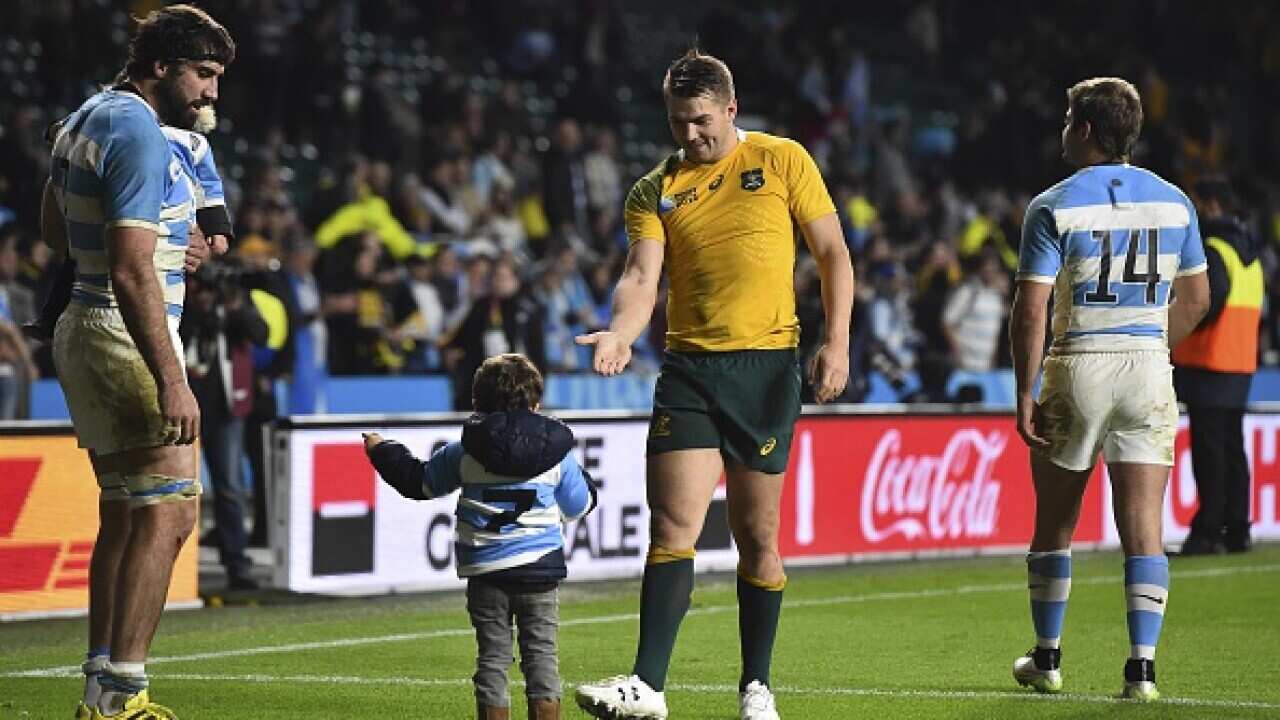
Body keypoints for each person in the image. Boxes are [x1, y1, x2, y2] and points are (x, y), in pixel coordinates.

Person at [573, 49, 853, 720]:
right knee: (672, 526)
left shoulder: (783, 160)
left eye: (701, 121)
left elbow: (833, 253)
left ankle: (756, 685)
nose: (690, 135)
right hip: (689, 370)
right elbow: (642, 278)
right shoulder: (654, 189)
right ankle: (647, 686)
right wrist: (619, 333)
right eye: (677, 122)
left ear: (730, 109)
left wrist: (836, 340)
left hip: (765, 369)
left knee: (758, 534)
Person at [42, 6, 234, 718]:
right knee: (169, 516)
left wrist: (163, 242)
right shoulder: (141, 132)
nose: (212, 93)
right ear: (160, 67)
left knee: (127, 515)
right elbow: (128, 272)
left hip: (83, 325)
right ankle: (124, 696)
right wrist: (173, 380)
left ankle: (101, 690)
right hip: (122, 330)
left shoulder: (87, 116)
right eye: (203, 75)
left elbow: (54, 230)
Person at [1008, 77, 1210, 703]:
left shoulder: (1053, 204)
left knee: (1056, 522)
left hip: (1079, 364)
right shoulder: (1176, 202)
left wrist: (1026, 389)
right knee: (1143, 527)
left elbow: (1030, 309)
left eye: (1069, 119)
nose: (1063, 129)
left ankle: (1047, 659)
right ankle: (1141, 672)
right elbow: (1199, 299)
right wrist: (1148, 341)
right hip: (1149, 367)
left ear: (1087, 130)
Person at [363, 353, 596, 720]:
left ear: (476, 403)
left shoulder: (464, 453)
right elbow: (578, 507)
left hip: (485, 569)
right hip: (540, 570)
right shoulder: (557, 457)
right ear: (536, 404)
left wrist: (382, 450)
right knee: (542, 658)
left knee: (493, 658)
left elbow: (418, 483)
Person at [1172, 177, 1264, 555]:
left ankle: (1208, 531)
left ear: (1211, 206)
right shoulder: (1250, 255)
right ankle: (1237, 528)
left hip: (1208, 364)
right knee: (1231, 449)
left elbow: (1204, 303)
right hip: (1239, 363)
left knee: (1210, 452)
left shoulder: (1211, 250)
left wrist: (1173, 329)